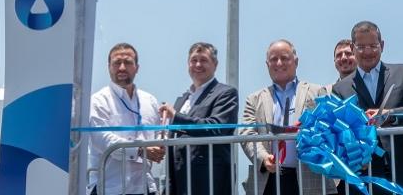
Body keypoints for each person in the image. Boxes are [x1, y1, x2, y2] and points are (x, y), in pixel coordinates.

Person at [332, 21, 403, 194]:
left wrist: (389, 114)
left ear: (382, 46)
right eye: (361, 47)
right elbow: (338, 130)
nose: (367, 52)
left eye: (373, 46)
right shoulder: (340, 88)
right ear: (353, 48)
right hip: (363, 174)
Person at [240, 40, 337, 195]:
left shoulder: (318, 92)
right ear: (267, 65)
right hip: (267, 181)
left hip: (309, 179)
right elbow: (247, 133)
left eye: (284, 58)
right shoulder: (254, 99)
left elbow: (329, 129)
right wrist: (263, 158)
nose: (279, 63)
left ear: (296, 62)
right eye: (273, 59)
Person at [159, 42, 239, 195]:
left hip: (208, 180)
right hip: (178, 178)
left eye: (203, 60)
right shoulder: (182, 99)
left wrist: (175, 116)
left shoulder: (226, 93)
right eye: (193, 60)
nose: (198, 65)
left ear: (215, 64)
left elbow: (216, 127)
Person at [88, 43, 164, 195]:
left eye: (128, 62)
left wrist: (161, 144)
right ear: (109, 67)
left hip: (145, 187)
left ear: (137, 67)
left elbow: (159, 134)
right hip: (110, 188)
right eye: (117, 63)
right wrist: (140, 151)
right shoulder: (97, 101)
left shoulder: (150, 100)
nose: (122, 67)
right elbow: (101, 139)